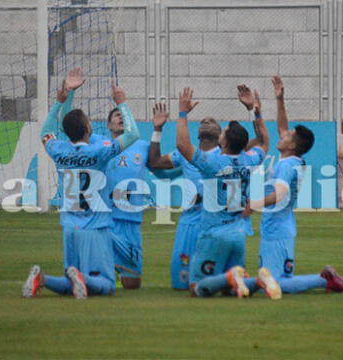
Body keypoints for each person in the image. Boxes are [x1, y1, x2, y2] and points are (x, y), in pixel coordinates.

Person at [22, 67, 140, 299]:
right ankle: (80, 277)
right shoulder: (100, 151)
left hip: (69, 227)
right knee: (106, 285)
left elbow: (46, 131)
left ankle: (42, 279)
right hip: (95, 227)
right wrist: (122, 103)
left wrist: (60, 101)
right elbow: (133, 134)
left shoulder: (58, 150)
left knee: (73, 282)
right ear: (88, 128)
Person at [245, 76, 343, 295]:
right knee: (276, 279)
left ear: (291, 145)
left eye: (288, 136)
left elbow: (281, 193)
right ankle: (232, 281)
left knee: (275, 284)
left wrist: (253, 204)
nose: (283, 134)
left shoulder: (287, 166)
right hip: (281, 226)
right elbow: (283, 127)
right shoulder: (293, 160)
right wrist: (280, 99)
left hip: (276, 229)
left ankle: (323, 280)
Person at [175, 86, 280, 299]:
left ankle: (241, 277)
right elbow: (265, 142)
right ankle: (256, 281)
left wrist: (182, 113)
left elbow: (182, 144)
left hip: (214, 232)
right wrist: (255, 111)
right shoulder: (249, 160)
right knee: (230, 291)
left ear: (222, 142)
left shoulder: (212, 162)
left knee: (197, 288)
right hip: (238, 233)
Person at [147, 103, 222, 290]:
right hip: (189, 222)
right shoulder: (185, 155)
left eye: (212, 122)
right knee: (180, 284)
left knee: (214, 282)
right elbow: (155, 162)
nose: (207, 121)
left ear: (221, 136)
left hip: (215, 224)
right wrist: (157, 130)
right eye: (203, 121)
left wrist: (255, 110)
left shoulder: (226, 156)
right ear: (197, 135)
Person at [103, 103, 153, 289]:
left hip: (131, 222)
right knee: (99, 282)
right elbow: (69, 126)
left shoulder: (143, 146)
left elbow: (163, 172)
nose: (121, 117)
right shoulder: (101, 144)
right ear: (109, 125)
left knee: (132, 285)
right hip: (104, 220)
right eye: (116, 115)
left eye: (124, 114)